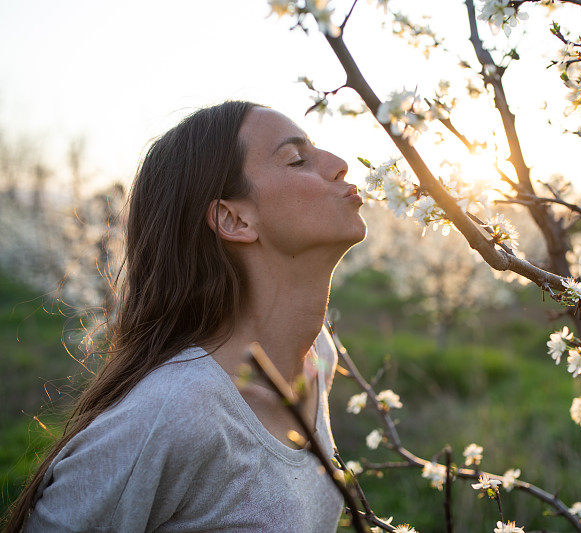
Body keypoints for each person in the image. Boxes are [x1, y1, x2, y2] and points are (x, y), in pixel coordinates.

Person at [3, 101, 367, 532]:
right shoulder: (175, 411)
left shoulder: (315, 358)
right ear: (233, 219)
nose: (340, 165)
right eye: (296, 160)